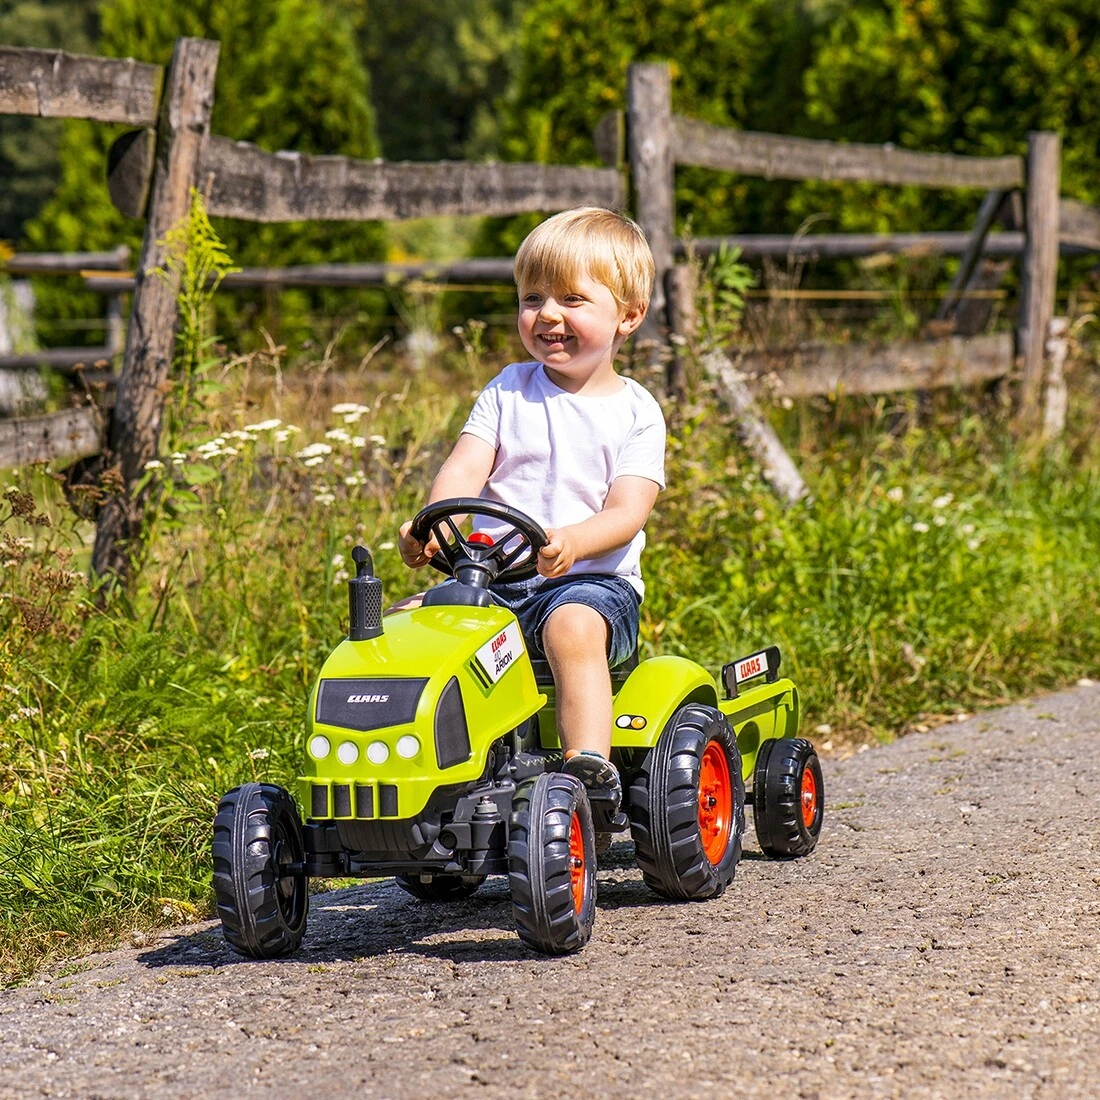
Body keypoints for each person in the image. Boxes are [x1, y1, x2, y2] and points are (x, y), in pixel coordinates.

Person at [397, 206, 665, 814]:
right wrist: (434, 524)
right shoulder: (507, 389)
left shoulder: (636, 411)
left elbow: (628, 512)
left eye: (572, 298)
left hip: (592, 585)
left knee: (570, 626)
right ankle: (426, 780)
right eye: (533, 297)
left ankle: (586, 771)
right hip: (494, 578)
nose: (547, 315)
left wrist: (572, 541)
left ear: (627, 315)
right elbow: (465, 468)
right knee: (411, 625)